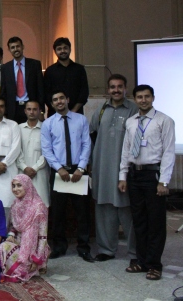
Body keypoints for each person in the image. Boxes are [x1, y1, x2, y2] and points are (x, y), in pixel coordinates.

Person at [119, 85, 175, 281]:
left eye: (147, 97)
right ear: (134, 99)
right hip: (135, 176)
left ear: (153, 98)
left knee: (156, 223)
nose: (143, 100)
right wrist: (122, 176)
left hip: (153, 177)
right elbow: (126, 150)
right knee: (139, 221)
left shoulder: (164, 121)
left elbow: (168, 152)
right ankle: (141, 261)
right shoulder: (131, 122)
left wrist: (164, 181)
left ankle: (154, 265)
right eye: (139, 97)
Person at [41, 90, 93, 262]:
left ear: (68, 99)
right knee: (58, 213)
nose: (59, 101)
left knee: (82, 212)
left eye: (62, 98)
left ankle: (83, 247)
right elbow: (46, 150)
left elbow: (86, 144)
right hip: (59, 173)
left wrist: (81, 168)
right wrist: (59, 168)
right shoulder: (48, 124)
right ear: (52, 103)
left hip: (78, 171)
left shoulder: (81, 120)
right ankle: (59, 247)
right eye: (55, 99)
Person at [90, 74, 138, 263]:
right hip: (102, 168)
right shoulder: (101, 109)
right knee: (104, 209)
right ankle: (106, 249)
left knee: (129, 212)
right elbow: (92, 134)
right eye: (112, 87)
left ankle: (134, 253)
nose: (116, 90)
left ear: (125, 88)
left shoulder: (133, 109)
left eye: (120, 86)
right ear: (108, 89)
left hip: (125, 171)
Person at [0, 174, 50, 282]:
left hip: (34, 248)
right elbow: (14, 226)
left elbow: (43, 236)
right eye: (13, 186)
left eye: (19, 185)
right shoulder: (16, 205)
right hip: (19, 242)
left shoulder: (38, 206)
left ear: (27, 186)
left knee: (22, 268)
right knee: (3, 246)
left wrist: (37, 259)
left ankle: (36, 266)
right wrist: (11, 235)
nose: (15, 189)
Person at [0, 37, 44, 123]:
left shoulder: (34, 64)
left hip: (31, 107)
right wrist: (4, 112)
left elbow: (40, 88)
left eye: (18, 46)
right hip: (13, 108)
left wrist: (41, 111)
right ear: (9, 50)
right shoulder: (5, 68)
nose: (16, 49)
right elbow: (3, 91)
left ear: (22, 47)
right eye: (12, 47)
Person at [16, 101, 50, 207]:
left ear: (40, 111)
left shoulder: (46, 128)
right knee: (22, 205)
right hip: (22, 171)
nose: (32, 112)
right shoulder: (18, 128)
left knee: (41, 205)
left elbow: (48, 152)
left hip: (40, 172)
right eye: (29, 109)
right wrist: (24, 167)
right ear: (25, 111)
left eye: (35, 109)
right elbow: (16, 150)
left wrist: (35, 168)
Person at [44, 38, 89, 117]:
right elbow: (47, 94)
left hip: (76, 114)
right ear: (55, 51)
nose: (62, 51)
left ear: (70, 49)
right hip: (55, 115)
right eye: (59, 49)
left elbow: (84, 92)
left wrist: (73, 112)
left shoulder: (79, 69)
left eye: (65, 48)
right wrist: (59, 111)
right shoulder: (50, 71)